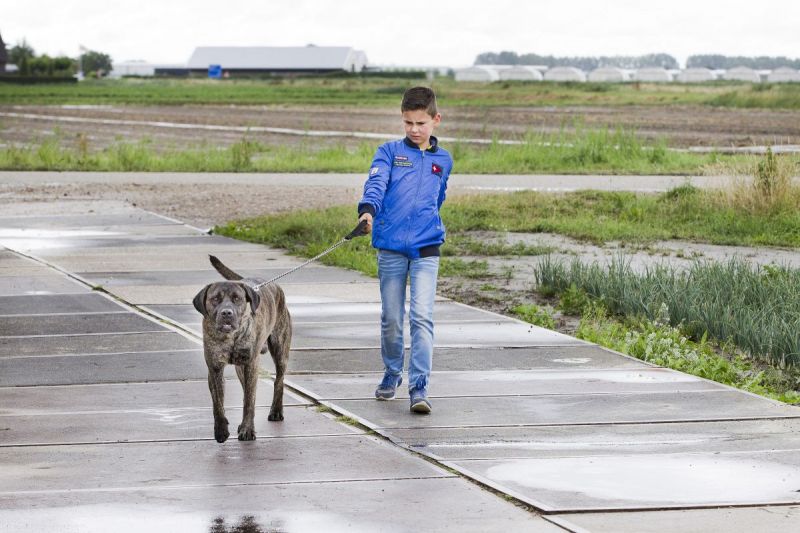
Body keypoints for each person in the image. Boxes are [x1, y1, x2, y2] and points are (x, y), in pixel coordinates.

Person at [357, 86, 453, 414]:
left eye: (421, 123)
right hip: (391, 248)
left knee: (422, 317)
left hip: (427, 248)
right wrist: (368, 210)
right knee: (392, 319)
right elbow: (377, 183)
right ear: (402, 120)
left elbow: (438, 198)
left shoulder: (444, 160)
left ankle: (419, 386)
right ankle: (392, 371)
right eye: (408, 123)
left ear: (435, 120)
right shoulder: (388, 152)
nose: (414, 130)